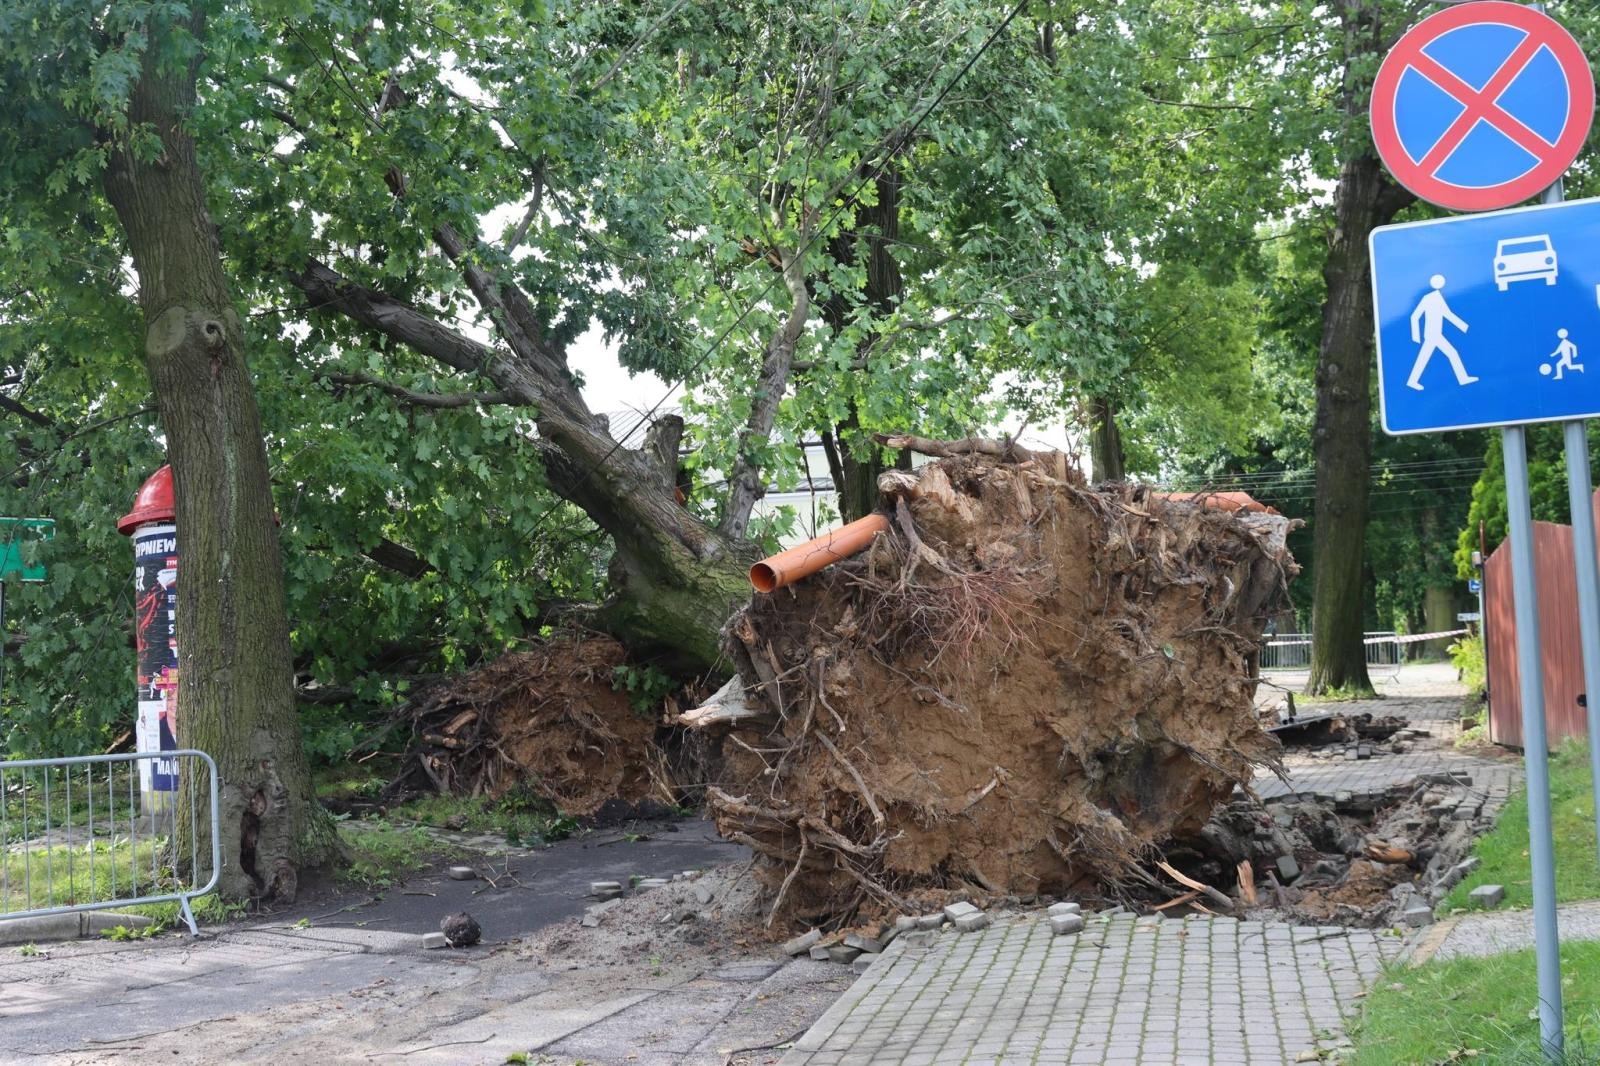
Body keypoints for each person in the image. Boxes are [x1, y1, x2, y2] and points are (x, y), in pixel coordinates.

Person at [1407, 274, 1477, 390]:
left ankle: (1412, 381)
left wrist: (1463, 326)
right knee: (1451, 353)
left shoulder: (1438, 297)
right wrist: (1416, 336)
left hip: (1436, 334)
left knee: (1427, 357)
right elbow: (1414, 316)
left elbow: (1447, 314)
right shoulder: (1429, 298)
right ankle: (1463, 378)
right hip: (1432, 335)